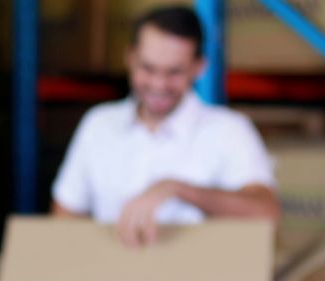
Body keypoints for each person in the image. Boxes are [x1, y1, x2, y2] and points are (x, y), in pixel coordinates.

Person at [51, 5, 279, 247]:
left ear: (198, 67)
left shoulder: (229, 130)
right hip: (111, 278)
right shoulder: (98, 125)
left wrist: (177, 189)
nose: (159, 84)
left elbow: (266, 214)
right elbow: (64, 218)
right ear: (129, 58)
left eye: (174, 72)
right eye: (148, 68)